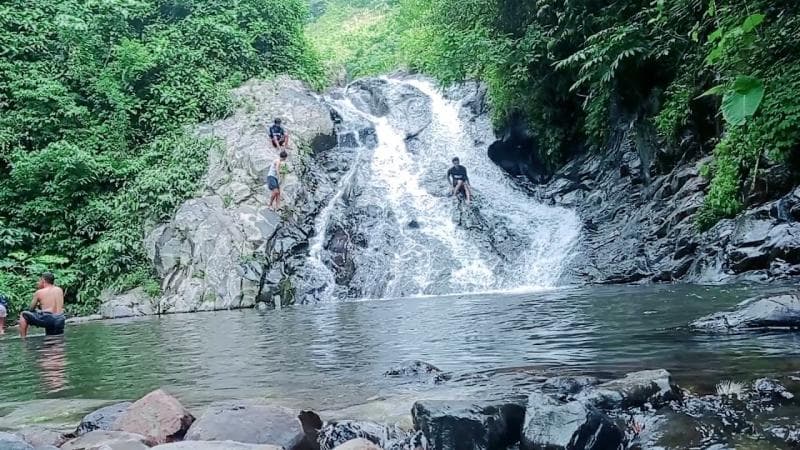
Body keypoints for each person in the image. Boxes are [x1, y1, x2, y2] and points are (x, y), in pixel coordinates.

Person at [19, 272, 65, 338]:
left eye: (39, 280)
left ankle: (23, 339)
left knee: (23, 314)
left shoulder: (39, 292)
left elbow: (31, 309)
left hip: (48, 318)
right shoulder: (59, 290)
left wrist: (38, 307)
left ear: (43, 280)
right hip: (60, 318)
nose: (38, 282)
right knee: (55, 338)